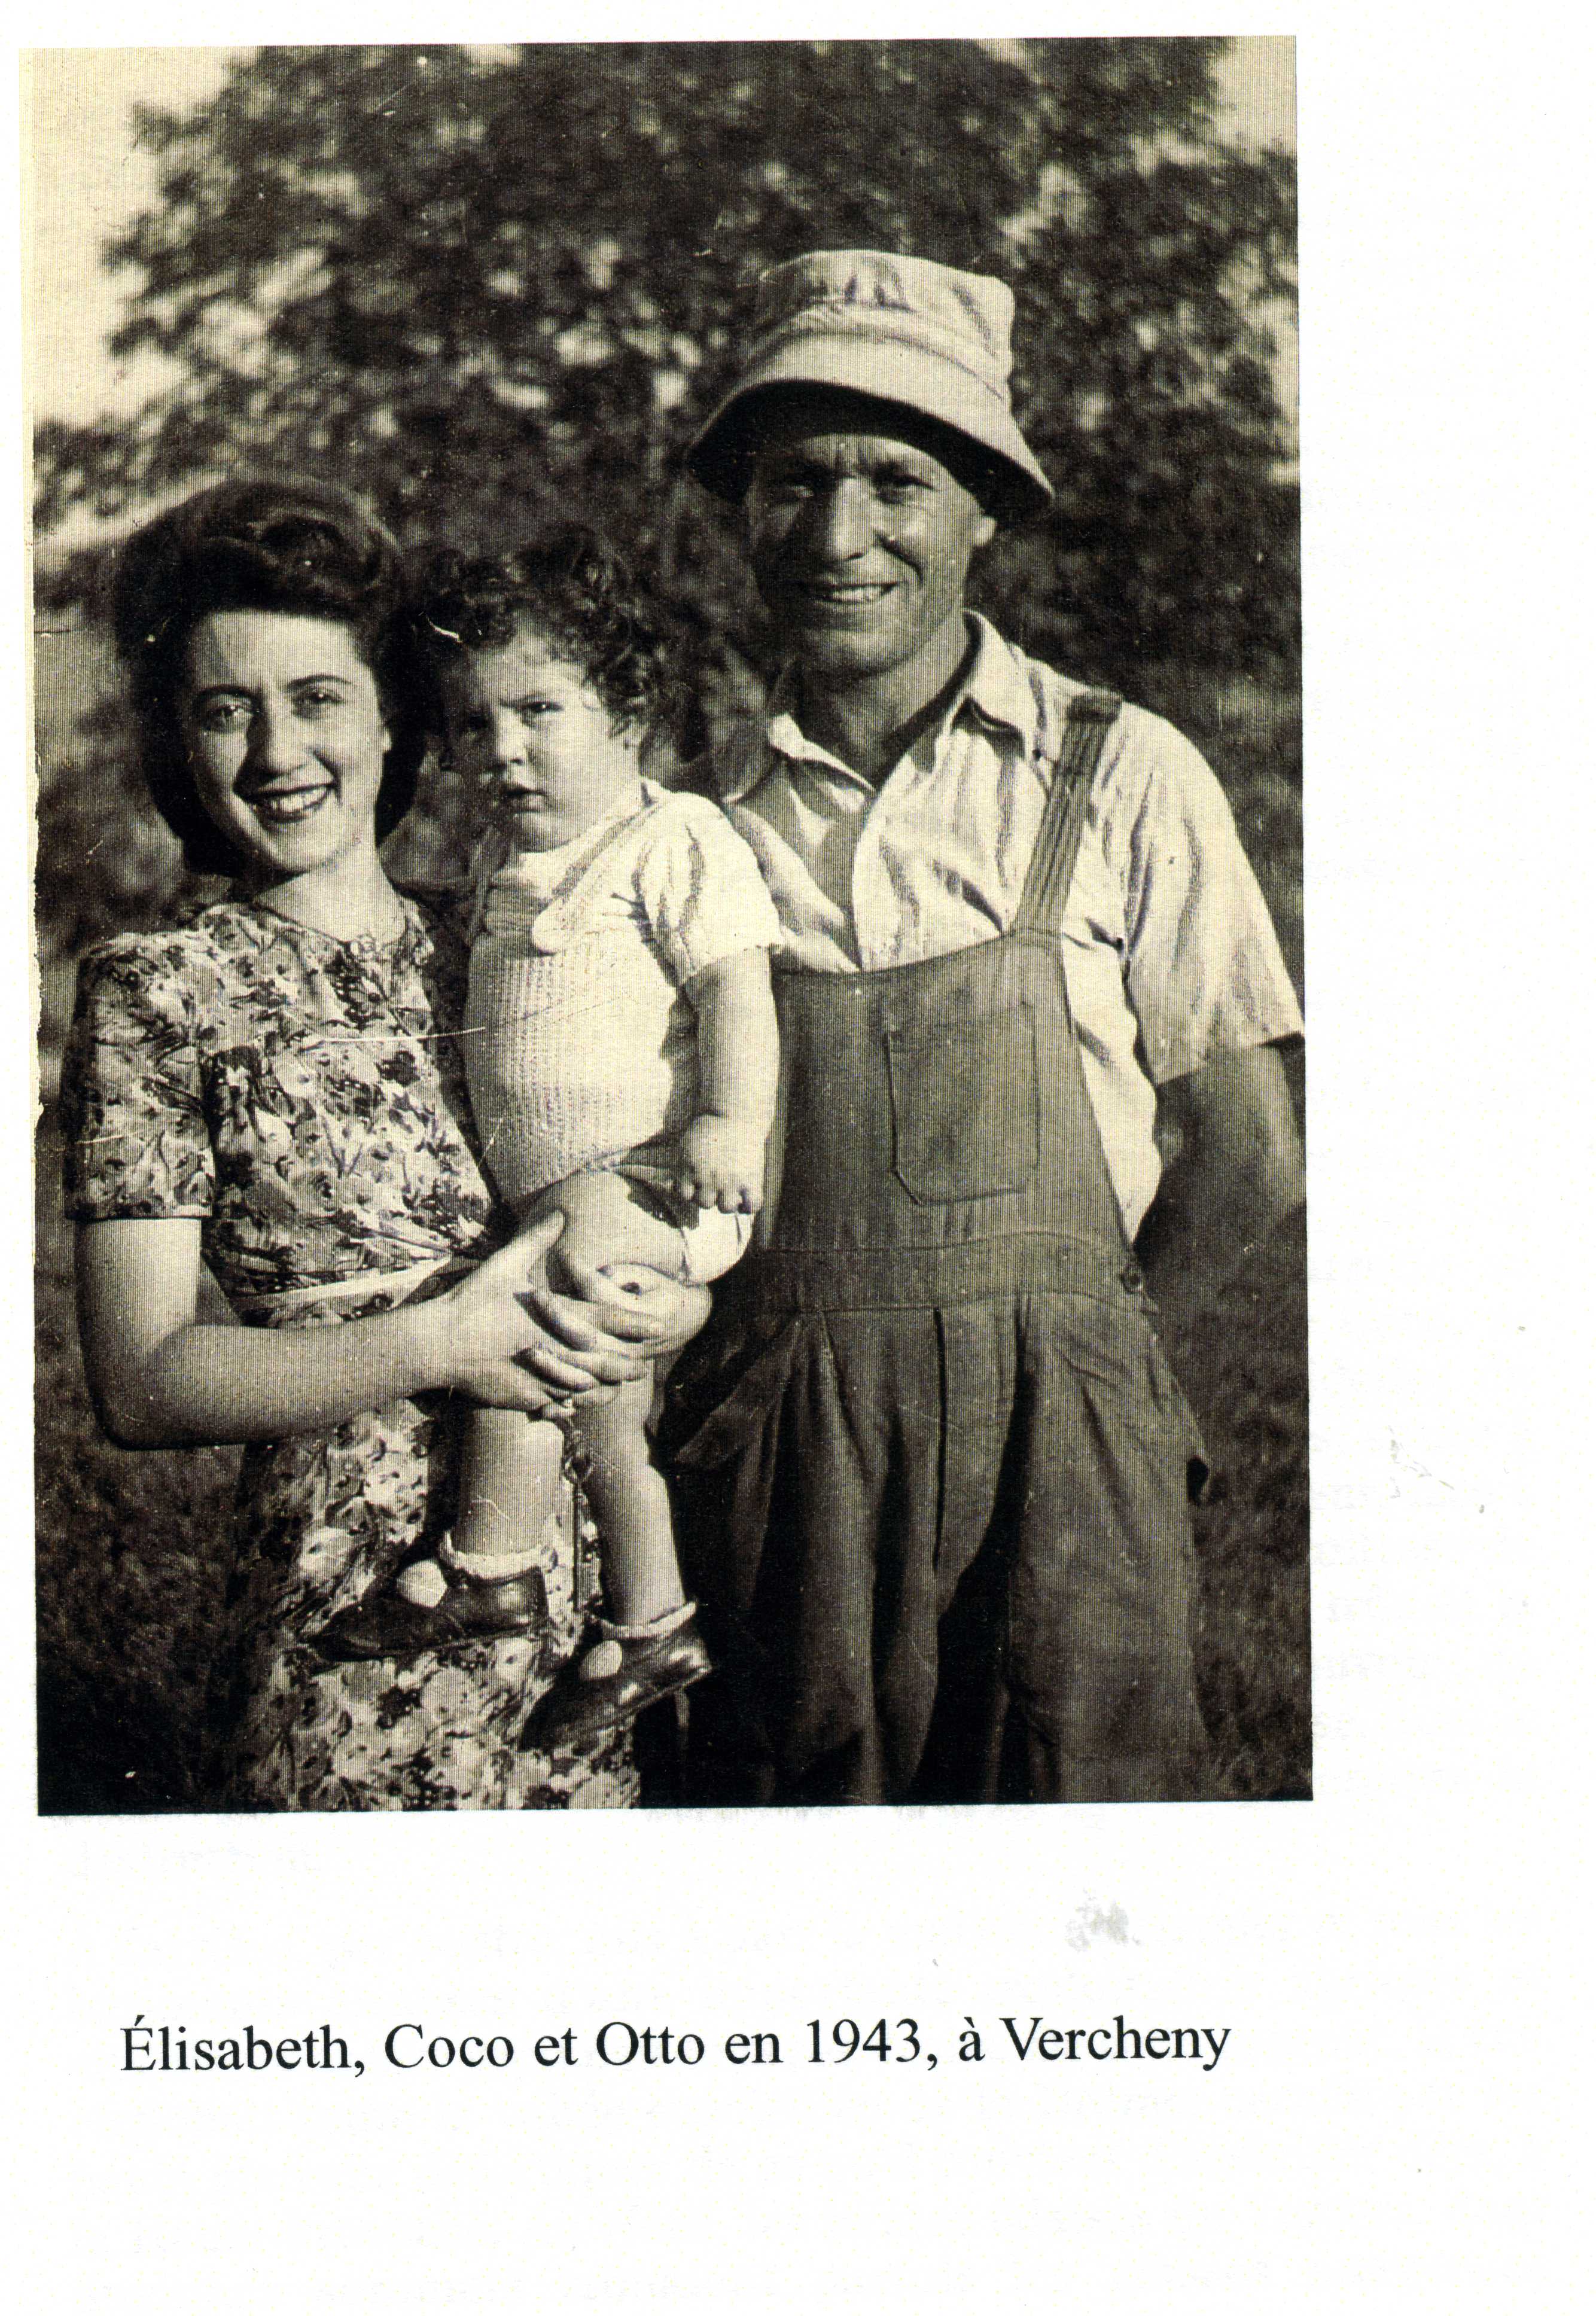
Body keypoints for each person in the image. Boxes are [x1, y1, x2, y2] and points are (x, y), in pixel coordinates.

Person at [663, 249, 1307, 1806]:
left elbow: (1246, 1150)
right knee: (780, 1828)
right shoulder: (688, 823)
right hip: (776, 1445)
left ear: (982, 512)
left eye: (895, 480)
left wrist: (1098, 1365)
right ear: (741, 506)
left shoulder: (1118, 770)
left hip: (1061, 1441)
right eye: (794, 480)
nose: (838, 534)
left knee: (1077, 1817)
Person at [59, 476, 707, 1809]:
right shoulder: (158, 990)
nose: (274, 751)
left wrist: (669, 1305)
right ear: (178, 743)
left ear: (394, 716)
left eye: (316, 698)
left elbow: (642, 1195)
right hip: (347, 1623)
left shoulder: (509, 943)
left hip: (580, 1628)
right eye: (223, 709)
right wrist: (437, 1343)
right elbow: (140, 1381)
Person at [331, 529, 782, 1751]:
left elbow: (736, 990)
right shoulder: (499, 863)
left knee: (514, 1317)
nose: (504, 749)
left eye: (539, 708)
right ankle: (650, 1623)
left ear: (625, 708)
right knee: (600, 1412)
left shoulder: (671, 837)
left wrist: (731, 1123)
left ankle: (489, 1558)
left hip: (655, 1177)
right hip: (572, 1195)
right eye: (474, 725)